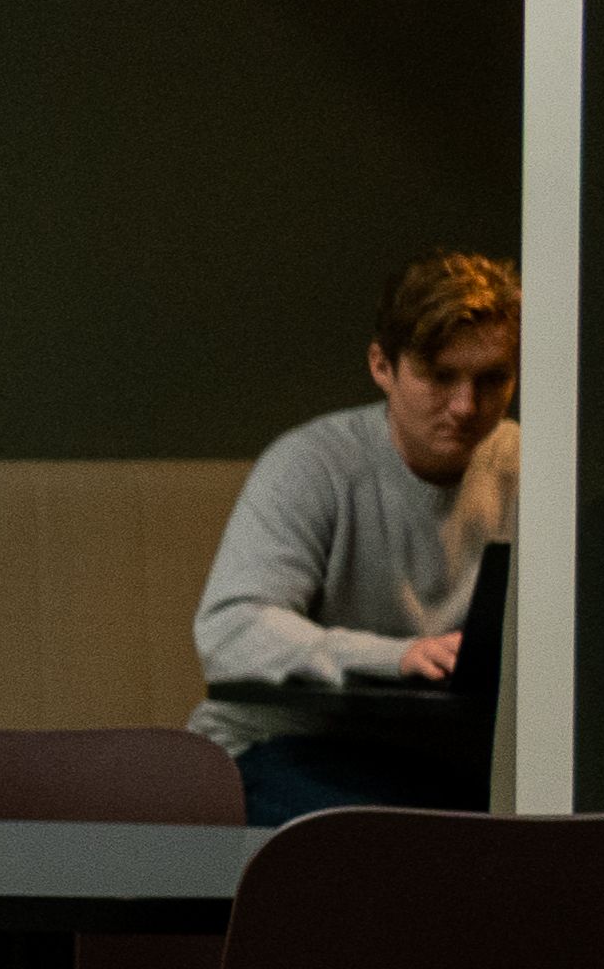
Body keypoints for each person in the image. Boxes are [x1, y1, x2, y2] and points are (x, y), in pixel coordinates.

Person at [195, 248, 515, 821]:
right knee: (401, 851)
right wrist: (399, 655)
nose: (466, 406)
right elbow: (232, 631)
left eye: (491, 379)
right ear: (381, 367)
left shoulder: (529, 469)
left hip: (442, 761)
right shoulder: (313, 465)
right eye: (439, 377)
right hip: (284, 746)